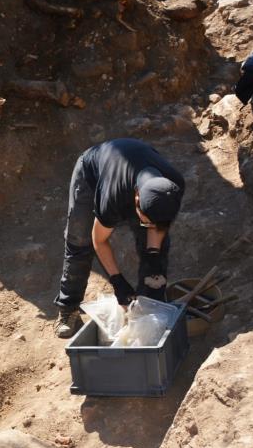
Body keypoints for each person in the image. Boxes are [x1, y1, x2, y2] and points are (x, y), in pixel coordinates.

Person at [53, 138, 185, 339]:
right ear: (136, 199)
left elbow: (158, 228)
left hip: (137, 170)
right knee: (79, 242)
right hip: (91, 172)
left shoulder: (173, 186)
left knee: (157, 251)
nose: (149, 226)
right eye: (146, 219)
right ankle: (67, 308)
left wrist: (153, 263)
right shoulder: (112, 197)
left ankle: (148, 305)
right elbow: (99, 241)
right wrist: (118, 282)